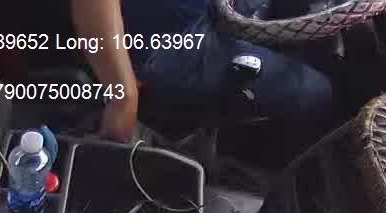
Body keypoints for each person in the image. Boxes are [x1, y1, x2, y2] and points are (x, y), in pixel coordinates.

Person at [61, 0, 334, 161]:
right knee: (318, 94)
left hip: (200, 8)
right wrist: (123, 95)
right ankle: (239, 165)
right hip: (166, 42)